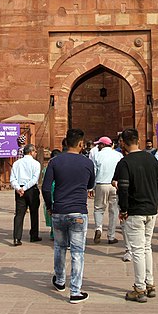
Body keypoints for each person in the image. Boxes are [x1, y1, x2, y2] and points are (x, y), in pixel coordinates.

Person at [42, 128, 95, 303]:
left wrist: (50, 207)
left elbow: (46, 187)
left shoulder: (55, 162)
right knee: (78, 252)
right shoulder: (87, 163)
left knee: (59, 247)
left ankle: (59, 280)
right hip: (78, 211)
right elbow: (90, 184)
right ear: (81, 144)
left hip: (59, 210)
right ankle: (75, 291)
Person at [116, 128, 158, 302]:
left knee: (136, 250)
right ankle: (150, 284)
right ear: (138, 140)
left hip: (135, 210)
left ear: (123, 142)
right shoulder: (152, 159)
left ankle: (140, 288)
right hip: (150, 209)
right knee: (146, 247)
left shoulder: (125, 162)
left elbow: (124, 188)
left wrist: (123, 209)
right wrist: (155, 203)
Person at [92, 136, 123, 245]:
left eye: (99, 144)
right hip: (114, 184)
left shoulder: (97, 155)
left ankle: (98, 228)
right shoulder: (118, 155)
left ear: (103, 145)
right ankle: (111, 236)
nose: (98, 146)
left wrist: (92, 186)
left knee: (98, 208)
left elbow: (94, 171)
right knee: (113, 211)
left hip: (101, 183)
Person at [10, 143, 42, 245]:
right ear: (31, 152)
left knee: (19, 214)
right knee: (34, 212)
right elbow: (34, 179)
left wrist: (19, 188)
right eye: (35, 151)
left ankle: (16, 237)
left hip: (19, 190)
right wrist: (24, 188)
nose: (36, 153)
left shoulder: (16, 163)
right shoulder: (36, 164)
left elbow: (12, 179)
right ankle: (34, 235)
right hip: (31, 189)